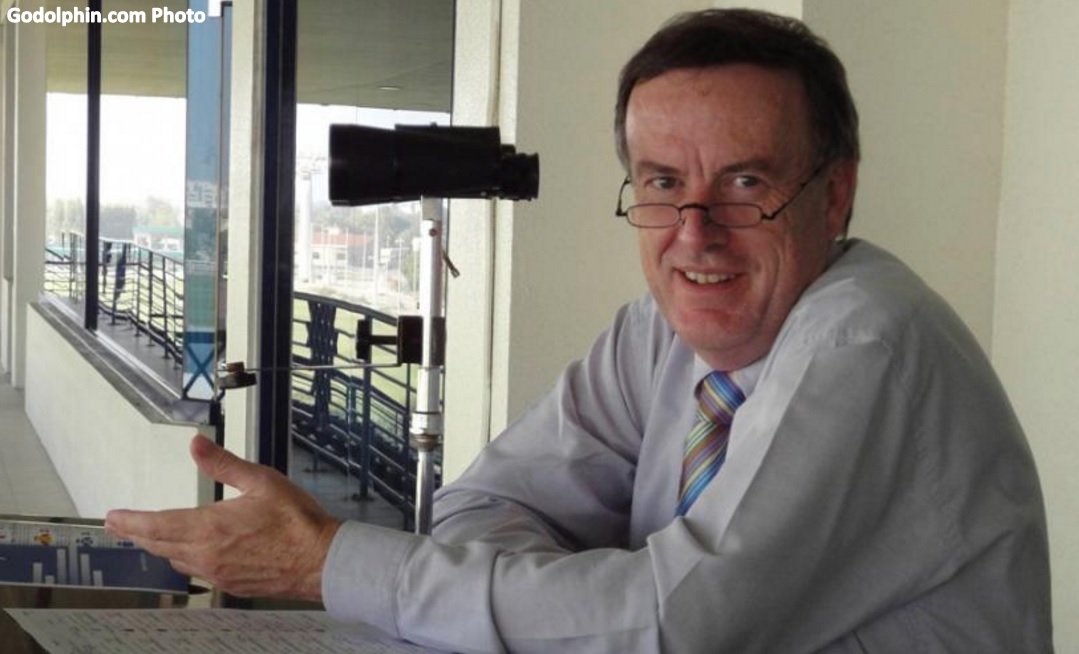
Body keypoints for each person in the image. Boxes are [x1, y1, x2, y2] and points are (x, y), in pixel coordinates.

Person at [106, 9, 1052, 653]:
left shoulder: (863, 343)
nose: (694, 232)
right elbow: (482, 504)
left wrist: (331, 564)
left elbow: (675, 625)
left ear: (833, 194)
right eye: (661, 183)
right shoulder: (660, 333)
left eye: (745, 183)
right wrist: (579, 615)